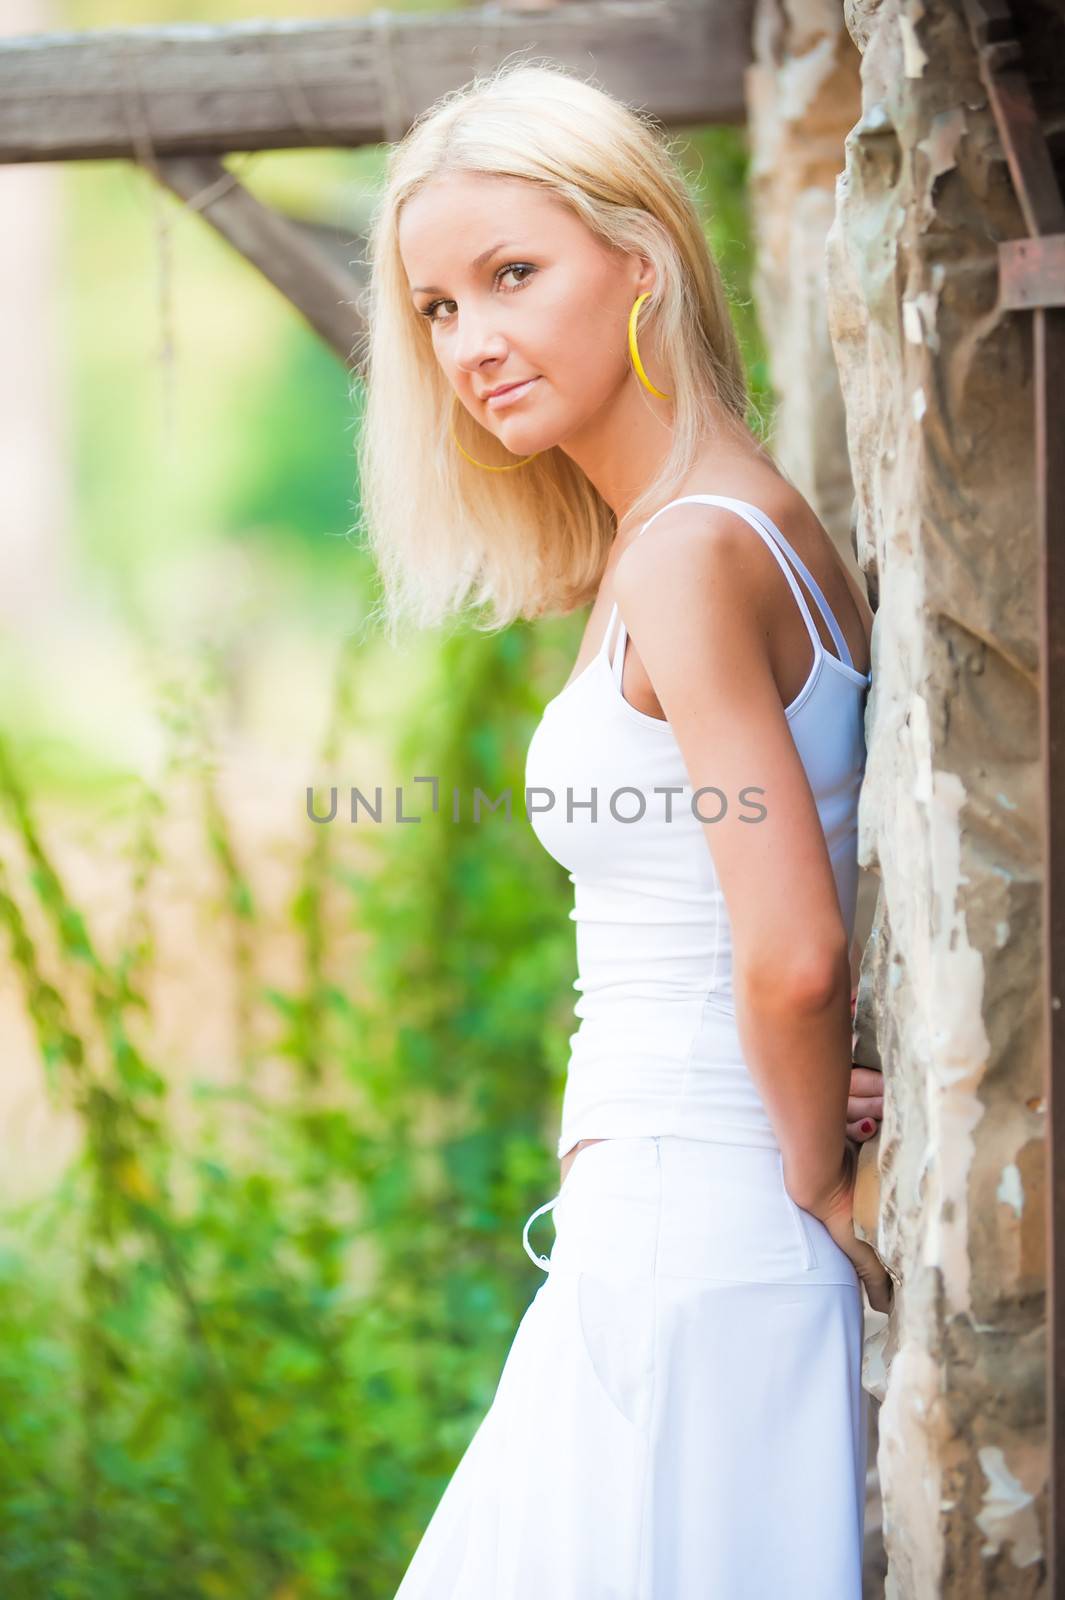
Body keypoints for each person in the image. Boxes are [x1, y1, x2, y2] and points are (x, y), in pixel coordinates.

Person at [355, 56, 896, 1600]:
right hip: (666, 1241)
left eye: (511, 275)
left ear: (641, 260)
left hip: (697, 1245)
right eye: (439, 308)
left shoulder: (684, 558)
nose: (470, 342)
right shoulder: (731, 525)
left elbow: (792, 949)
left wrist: (818, 1186)